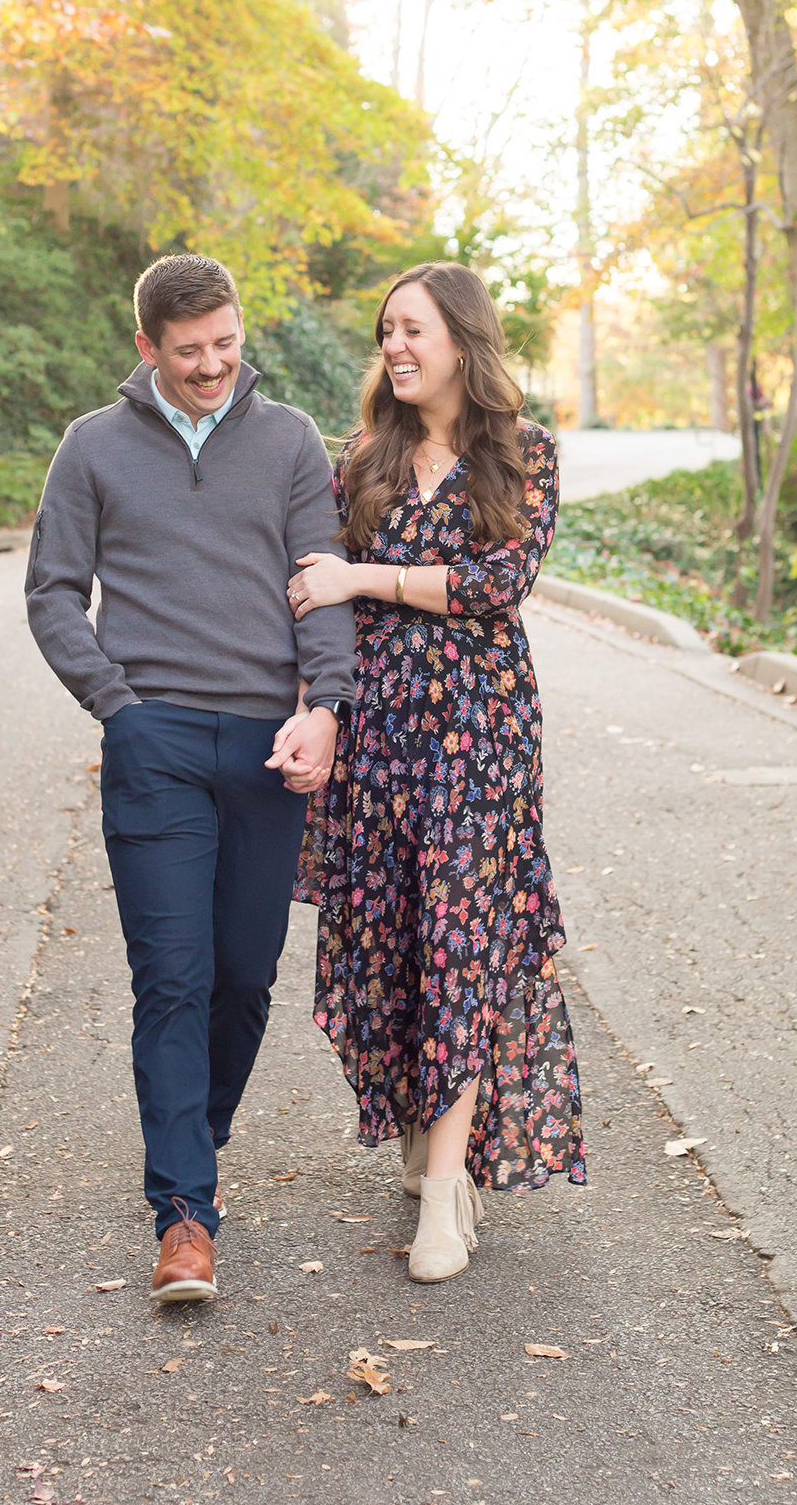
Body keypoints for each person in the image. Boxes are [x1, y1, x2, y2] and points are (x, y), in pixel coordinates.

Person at [25, 253, 355, 1304]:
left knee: (242, 978)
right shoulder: (94, 448)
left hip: (269, 742)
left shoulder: (292, 440)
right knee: (171, 975)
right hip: (154, 739)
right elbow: (51, 593)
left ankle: (190, 1141)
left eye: (226, 344)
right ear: (147, 351)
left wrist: (326, 707)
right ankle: (185, 1213)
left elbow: (322, 585)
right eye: (190, 353)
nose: (214, 367)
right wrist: (117, 708)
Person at [287, 261, 586, 1285]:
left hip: (478, 735)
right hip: (376, 736)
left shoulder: (525, 454)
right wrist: (313, 708)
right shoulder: (366, 458)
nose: (395, 348)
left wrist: (366, 576)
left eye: (411, 329)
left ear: (462, 337)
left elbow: (501, 581)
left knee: (461, 941)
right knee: (390, 939)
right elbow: (309, 588)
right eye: (385, 333)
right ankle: (428, 1134)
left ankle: (449, 1191)